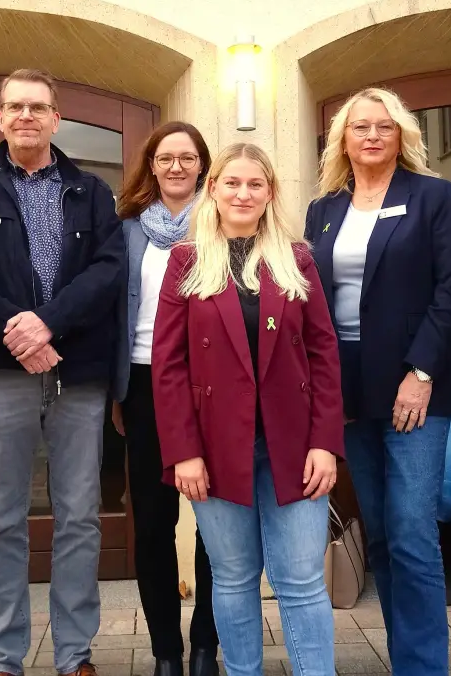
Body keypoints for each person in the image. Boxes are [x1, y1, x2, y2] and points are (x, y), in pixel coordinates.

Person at [0, 68, 124, 676]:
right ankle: (5, 657)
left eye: (38, 107)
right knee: (2, 517)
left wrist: (48, 324)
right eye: (15, 107)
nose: (26, 116)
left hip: (78, 373)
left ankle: (75, 654)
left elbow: (107, 270)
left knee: (79, 516)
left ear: (56, 117)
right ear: (0, 117)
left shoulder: (93, 192)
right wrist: (15, 331)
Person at [151, 142, 344, 676]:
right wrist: (184, 452)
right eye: (231, 182)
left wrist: (326, 442)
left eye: (254, 184)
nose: (242, 193)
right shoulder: (185, 262)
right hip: (215, 450)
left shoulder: (296, 258)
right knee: (233, 579)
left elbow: (325, 353)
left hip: (296, 445)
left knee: (302, 580)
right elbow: (168, 367)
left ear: (270, 193)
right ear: (212, 189)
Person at [304, 87, 451, 676]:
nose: (372, 135)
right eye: (360, 127)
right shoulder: (324, 209)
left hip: (415, 388)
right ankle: (406, 658)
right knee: (379, 533)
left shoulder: (432, 197)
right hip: (349, 392)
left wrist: (421, 371)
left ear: (402, 136)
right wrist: (323, 391)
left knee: (411, 532)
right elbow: (315, 303)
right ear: (342, 140)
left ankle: (423, 667)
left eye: (384, 126)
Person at [113, 122, 220, 676]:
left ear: (203, 164)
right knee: (153, 524)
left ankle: (205, 644)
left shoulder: (222, 221)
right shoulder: (126, 228)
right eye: (165, 158)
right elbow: (114, 308)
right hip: (143, 382)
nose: (176, 167)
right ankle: (165, 652)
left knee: (214, 525)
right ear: (151, 166)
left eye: (187, 157)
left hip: (212, 387)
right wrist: (116, 389)